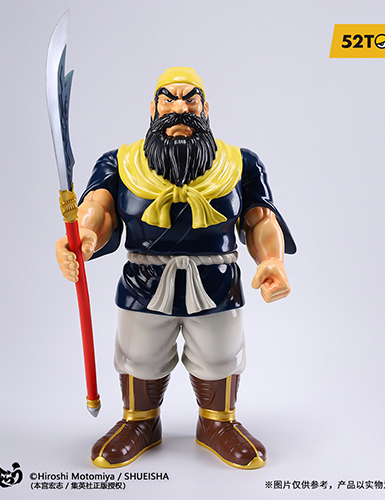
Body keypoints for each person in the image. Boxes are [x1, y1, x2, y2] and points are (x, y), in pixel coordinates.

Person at [55, 67, 296, 469]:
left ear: (206, 108)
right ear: (152, 109)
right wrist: (84, 235)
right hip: (144, 282)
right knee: (139, 355)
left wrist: (272, 260)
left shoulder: (240, 163)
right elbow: (97, 207)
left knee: (220, 355)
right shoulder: (121, 162)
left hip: (215, 281)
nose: (180, 108)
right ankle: (140, 422)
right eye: (168, 99)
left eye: (190, 99)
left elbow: (260, 219)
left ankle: (218, 423)